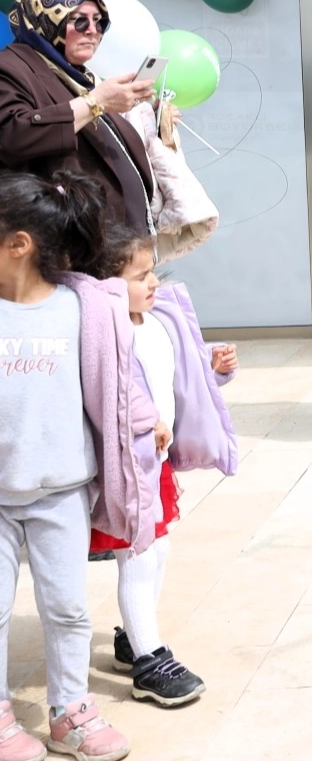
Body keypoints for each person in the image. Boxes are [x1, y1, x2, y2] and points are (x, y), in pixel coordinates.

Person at [0, 170, 141, 762]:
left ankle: (71, 712)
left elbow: (117, 386)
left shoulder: (83, 309)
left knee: (67, 608)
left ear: (18, 244)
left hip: (60, 491)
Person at [93, 223, 239, 706]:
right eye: (140, 276)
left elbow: (178, 381)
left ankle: (134, 638)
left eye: (152, 270)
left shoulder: (157, 323)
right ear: (108, 287)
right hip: (126, 469)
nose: (153, 281)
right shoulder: (105, 337)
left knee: (158, 551)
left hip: (155, 464)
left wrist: (214, 369)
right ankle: (149, 659)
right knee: (138, 556)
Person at [0, 0, 156, 233]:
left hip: (119, 239)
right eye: (79, 20)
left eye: (100, 22)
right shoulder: (9, 67)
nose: (93, 31)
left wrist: (154, 119)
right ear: (46, 21)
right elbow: (12, 135)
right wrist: (96, 102)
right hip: (63, 240)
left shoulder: (79, 76)